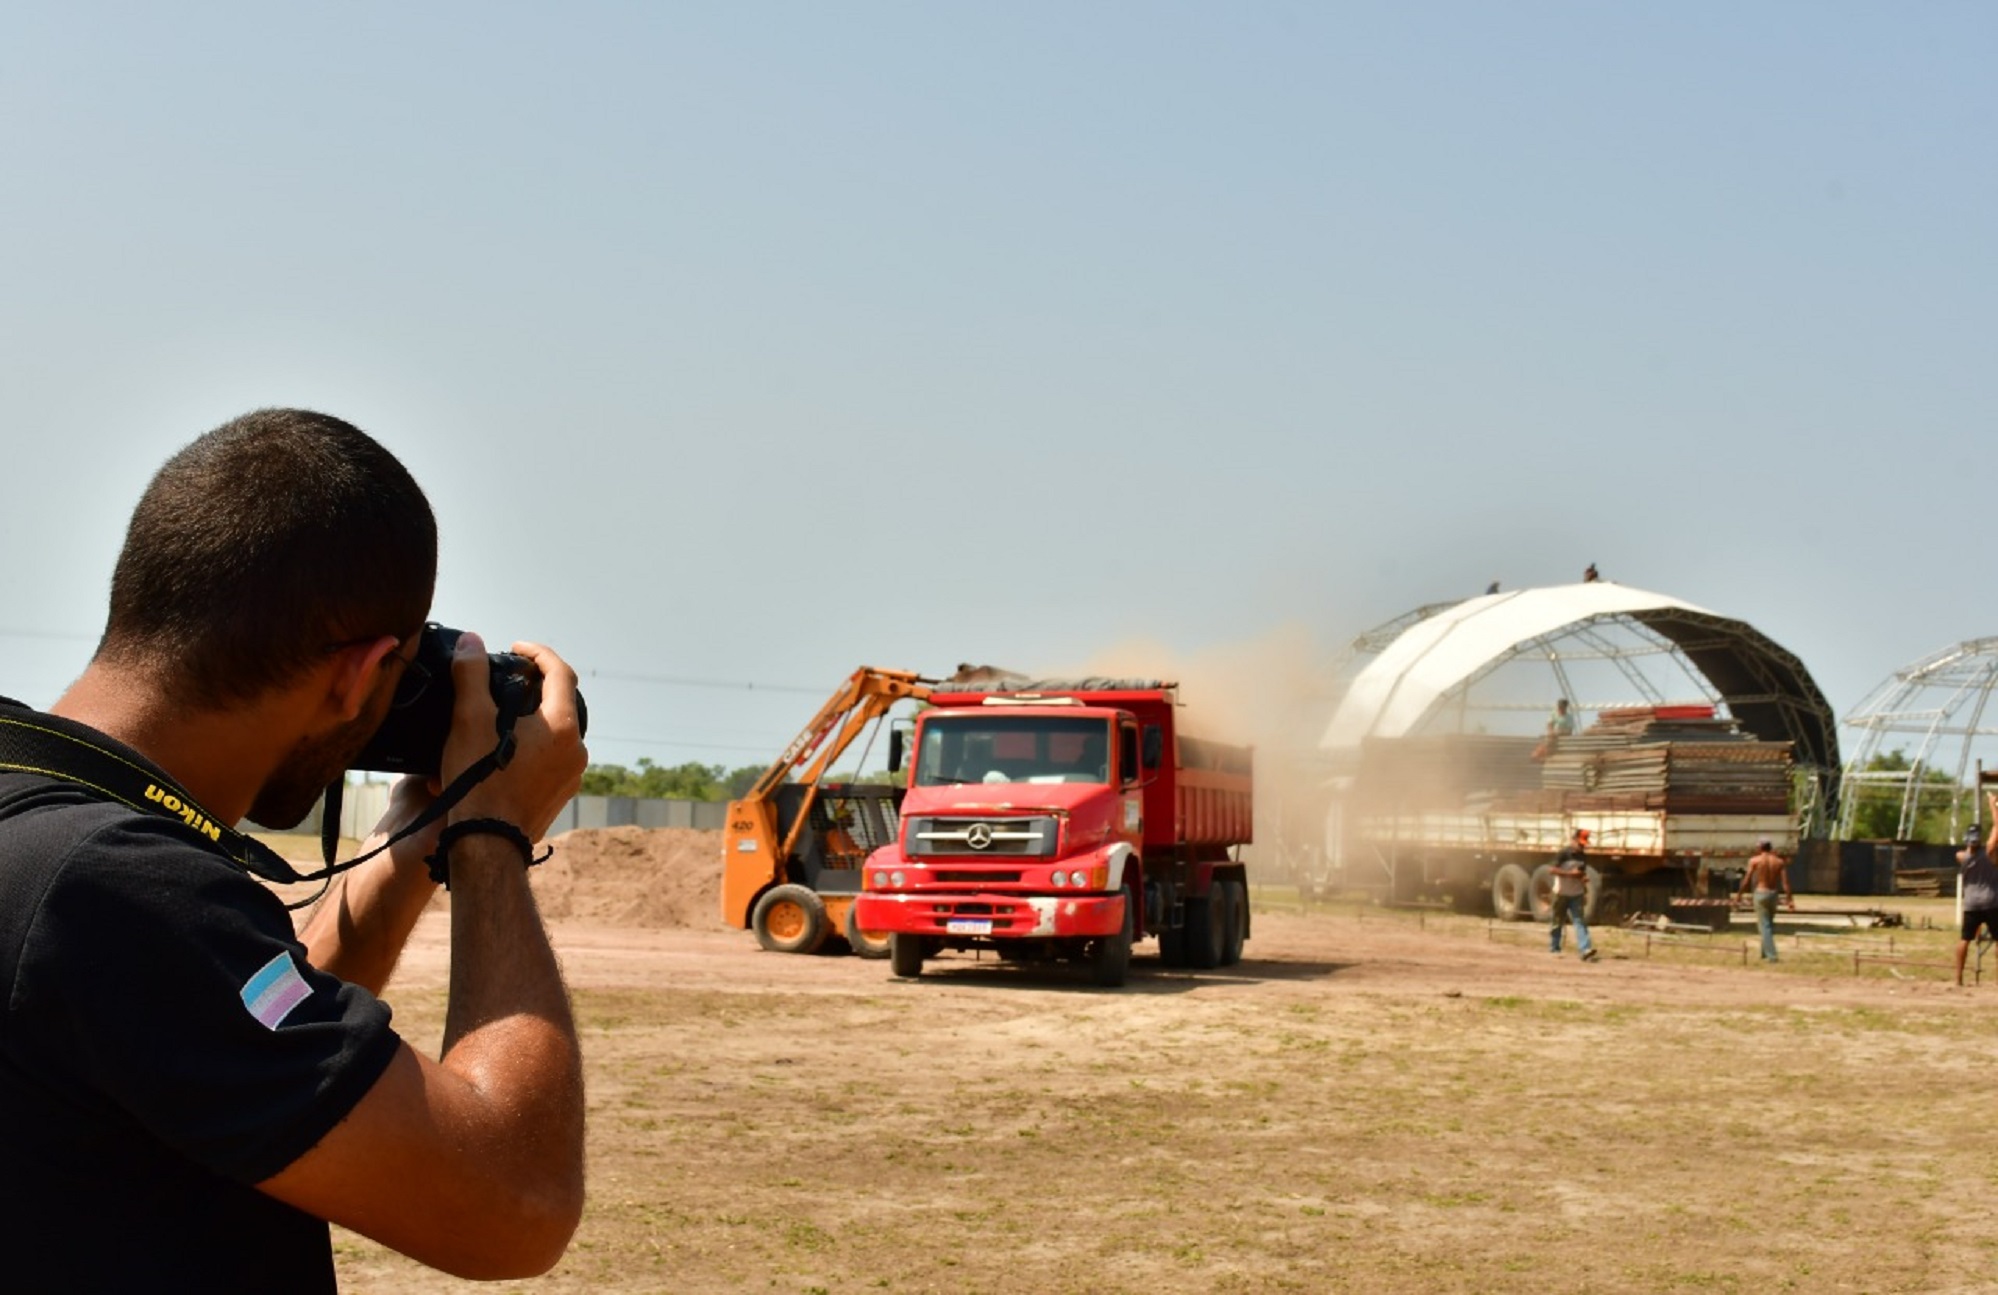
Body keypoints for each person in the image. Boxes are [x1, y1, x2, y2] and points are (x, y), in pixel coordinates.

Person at [0, 410, 588, 1290]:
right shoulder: (115, 890)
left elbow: (217, 1020)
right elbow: (516, 1201)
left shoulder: (45, 824)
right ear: (359, 673)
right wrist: (490, 835)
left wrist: (406, 849)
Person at [1954, 795, 1998, 987]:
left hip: (1971, 904)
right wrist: (1992, 805)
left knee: (1965, 939)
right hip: (1991, 902)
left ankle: (1958, 977)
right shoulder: (1989, 853)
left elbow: (1966, 850)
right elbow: (1997, 830)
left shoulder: (1961, 857)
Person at [1735, 837, 1794, 963]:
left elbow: (1747, 879)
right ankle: (1764, 953)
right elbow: (1785, 883)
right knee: (1768, 924)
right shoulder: (1779, 862)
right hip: (1773, 894)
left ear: (1760, 848)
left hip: (1760, 893)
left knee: (1764, 925)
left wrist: (1739, 894)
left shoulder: (1755, 860)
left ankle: (1772, 956)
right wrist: (1790, 900)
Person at [1548, 828, 1598, 961]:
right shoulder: (1563, 854)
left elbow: (1580, 873)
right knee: (1557, 921)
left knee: (1580, 921)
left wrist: (1583, 879)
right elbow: (1551, 870)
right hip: (1561, 893)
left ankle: (1585, 949)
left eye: (1584, 844)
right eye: (1580, 844)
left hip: (1577, 894)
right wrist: (1571, 874)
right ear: (1573, 840)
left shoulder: (1583, 856)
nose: (1582, 847)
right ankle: (1554, 947)